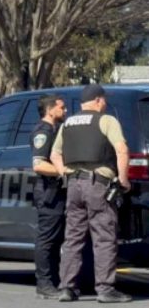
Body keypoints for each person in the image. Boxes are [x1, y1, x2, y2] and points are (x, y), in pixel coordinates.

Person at [50, 84, 132, 303]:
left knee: (72, 238)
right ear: (97, 100)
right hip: (98, 185)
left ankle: (67, 287)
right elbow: (122, 149)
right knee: (104, 237)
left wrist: (64, 173)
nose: (105, 103)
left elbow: (55, 154)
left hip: (73, 185)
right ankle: (105, 289)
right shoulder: (106, 120)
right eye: (104, 99)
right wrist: (123, 180)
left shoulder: (68, 123)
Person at [30, 94, 67, 299]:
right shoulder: (42, 132)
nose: (65, 111)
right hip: (48, 193)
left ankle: (54, 280)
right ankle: (44, 283)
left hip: (58, 192)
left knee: (57, 239)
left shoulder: (55, 130)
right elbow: (39, 164)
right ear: (50, 109)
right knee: (47, 239)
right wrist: (65, 171)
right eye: (61, 107)